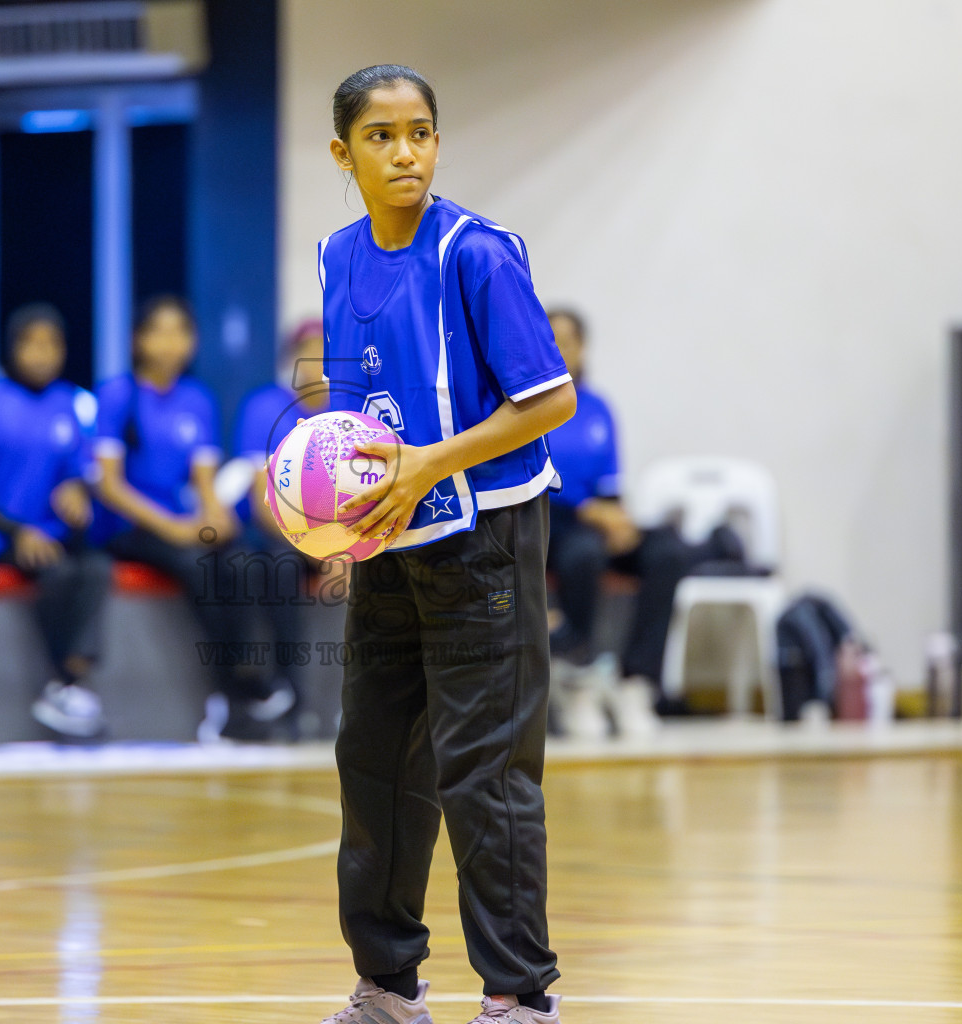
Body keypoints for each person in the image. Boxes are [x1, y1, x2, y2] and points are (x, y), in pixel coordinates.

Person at [317, 66, 572, 1024]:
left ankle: (518, 996)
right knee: (374, 760)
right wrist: (328, 511)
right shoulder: (337, 255)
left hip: (486, 537)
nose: (406, 153)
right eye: (381, 137)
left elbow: (549, 400)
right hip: (390, 539)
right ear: (344, 154)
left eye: (420, 132)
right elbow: (355, 412)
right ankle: (387, 987)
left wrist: (428, 463)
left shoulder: (478, 253)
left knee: (484, 771)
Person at [91, 295, 295, 742]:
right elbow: (109, 486)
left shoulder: (197, 399)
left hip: (184, 525)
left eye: (181, 332)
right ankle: (232, 693)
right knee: (196, 565)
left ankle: (256, 678)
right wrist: (175, 528)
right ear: (138, 340)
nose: (171, 342)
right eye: (159, 332)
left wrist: (216, 518)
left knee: (240, 559)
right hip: (130, 527)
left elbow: (204, 480)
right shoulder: (118, 395)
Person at [543, 309, 744, 716]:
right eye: (552, 339)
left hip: (599, 525)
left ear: (583, 348)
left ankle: (636, 678)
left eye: (568, 340)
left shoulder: (598, 410)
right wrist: (587, 511)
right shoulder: (526, 409)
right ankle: (576, 668)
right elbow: (529, 485)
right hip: (555, 529)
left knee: (665, 552)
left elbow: (610, 489)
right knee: (584, 554)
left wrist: (620, 524)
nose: (560, 349)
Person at [0, 303, 111, 738]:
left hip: (49, 532)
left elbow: (82, 472)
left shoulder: (70, 403)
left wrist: (78, 489)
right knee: (57, 573)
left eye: (52, 344)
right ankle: (59, 682)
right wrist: (16, 532)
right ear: (12, 348)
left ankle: (74, 677)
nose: (42, 354)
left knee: (95, 567)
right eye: (31, 344)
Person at [231, 319, 329, 738]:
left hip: (332, 537)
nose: (318, 362)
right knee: (279, 564)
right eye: (309, 352)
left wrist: (349, 550)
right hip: (276, 536)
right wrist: (319, 551)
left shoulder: (350, 413)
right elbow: (262, 504)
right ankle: (287, 690)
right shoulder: (265, 408)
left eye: (325, 352)